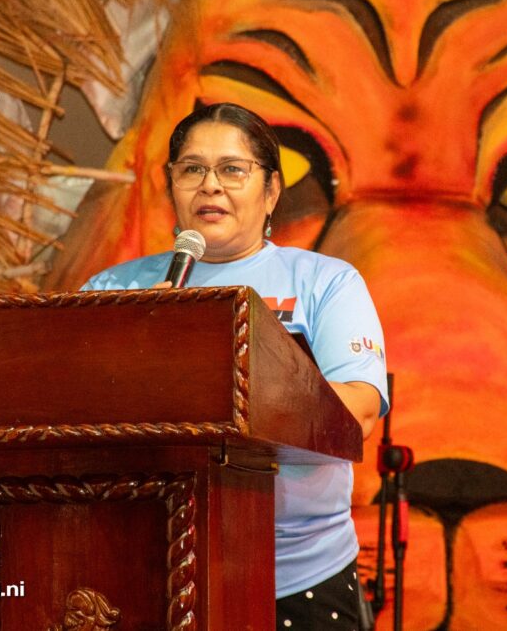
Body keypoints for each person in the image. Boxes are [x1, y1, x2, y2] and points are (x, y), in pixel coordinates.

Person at [82, 103, 389, 627]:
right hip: (143, 568)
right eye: (192, 169)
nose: (210, 186)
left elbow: (357, 411)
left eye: (232, 169)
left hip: (297, 579)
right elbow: (66, 414)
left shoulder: (325, 282)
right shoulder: (115, 290)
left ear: (270, 192)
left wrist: (217, 371)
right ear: (171, 186)